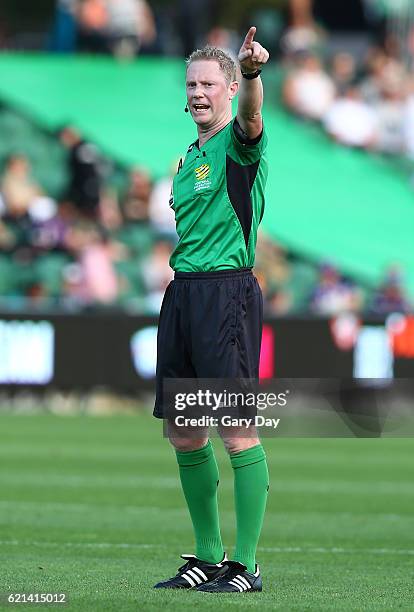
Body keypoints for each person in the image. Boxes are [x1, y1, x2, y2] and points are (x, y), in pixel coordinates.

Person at [153, 27, 269, 594]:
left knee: (236, 429)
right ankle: (206, 555)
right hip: (184, 295)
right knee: (183, 430)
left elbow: (251, 118)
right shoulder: (188, 159)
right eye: (191, 83)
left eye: (208, 83)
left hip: (226, 293)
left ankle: (245, 565)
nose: (198, 92)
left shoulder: (238, 144)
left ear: (226, 89)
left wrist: (251, 76)